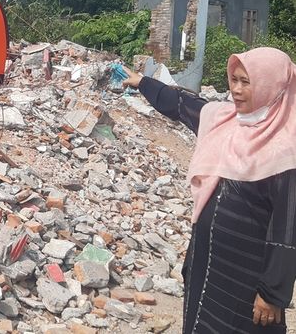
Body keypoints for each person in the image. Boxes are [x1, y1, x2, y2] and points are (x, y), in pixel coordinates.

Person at [123, 47, 296, 333]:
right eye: (234, 80)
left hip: (247, 275)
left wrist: (272, 293)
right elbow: (181, 104)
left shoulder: (286, 150)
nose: (237, 90)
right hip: (208, 262)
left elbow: (287, 229)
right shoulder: (224, 120)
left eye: (246, 82)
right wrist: (144, 82)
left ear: (271, 86)